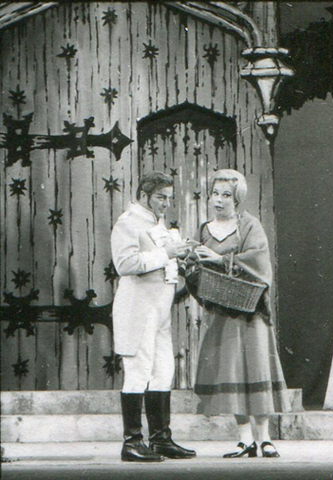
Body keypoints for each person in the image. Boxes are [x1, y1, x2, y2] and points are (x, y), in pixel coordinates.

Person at [189, 169, 290, 458]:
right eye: (215, 194)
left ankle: (266, 437)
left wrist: (221, 259)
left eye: (226, 195)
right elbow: (195, 269)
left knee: (256, 367)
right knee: (231, 369)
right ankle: (244, 438)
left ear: (237, 199)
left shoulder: (249, 225)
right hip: (223, 312)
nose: (218, 200)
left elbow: (259, 262)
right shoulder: (204, 230)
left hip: (251, 312)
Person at [111, 172, 196, 462]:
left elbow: (163, 263)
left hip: (159, 310)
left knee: (162, 371)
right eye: (161, 197)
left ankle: (160, 439)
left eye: (169, 198)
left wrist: (181, 257)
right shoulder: (128, 222)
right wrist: (165, 253)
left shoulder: (154, 224)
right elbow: (125, 263)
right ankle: (132, 442)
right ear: (144, 195)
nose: (166, 204)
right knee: (138, 371)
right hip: (138, 308)